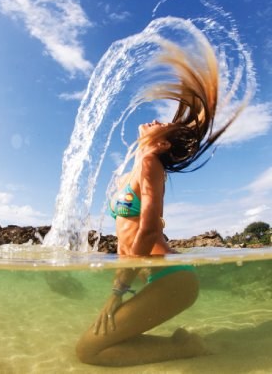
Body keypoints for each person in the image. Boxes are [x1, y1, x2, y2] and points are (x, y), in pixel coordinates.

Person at [75, 40, 243, 366]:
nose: (155, 121)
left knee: (88, 351)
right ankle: (180, 343)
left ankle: (187, 348)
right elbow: (141, 224)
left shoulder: (151, 162)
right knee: (95, 347)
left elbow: (149, 227)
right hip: (157, 278)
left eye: (162, 124)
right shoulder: (134, 168)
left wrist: (117, 291)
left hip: (171, 279)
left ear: (162, 143)